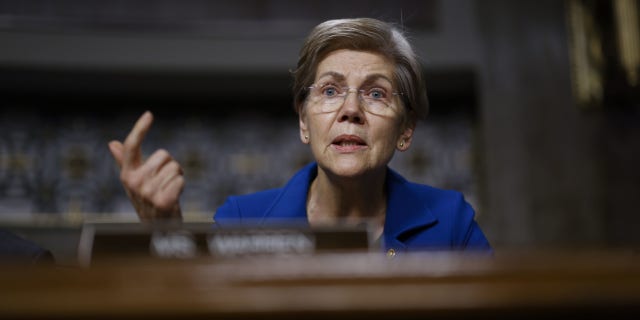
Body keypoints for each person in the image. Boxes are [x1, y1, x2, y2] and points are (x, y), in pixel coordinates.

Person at [108, 18, 492, 254]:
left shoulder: (450, 222)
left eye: (376, 93)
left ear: (405, 129)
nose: (351, 109)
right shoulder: (242, 221)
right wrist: (167, 234)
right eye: (329, 90)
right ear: (304, 123)